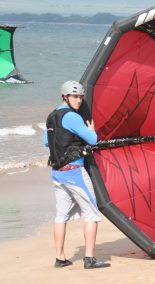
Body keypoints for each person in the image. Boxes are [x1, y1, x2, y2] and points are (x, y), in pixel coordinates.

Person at [44, 80, 110, 269]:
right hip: (74, 173)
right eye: (75, 96)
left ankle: (60, 258)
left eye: (81, 96)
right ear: (65, 96)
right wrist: (89, 131)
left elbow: (47, 142)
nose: (79, 100)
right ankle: (89, 259)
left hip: (57, 173)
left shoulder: (51, 116)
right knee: (91, 213)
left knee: (61, 215)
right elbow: (93, 140)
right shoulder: (72, 117)